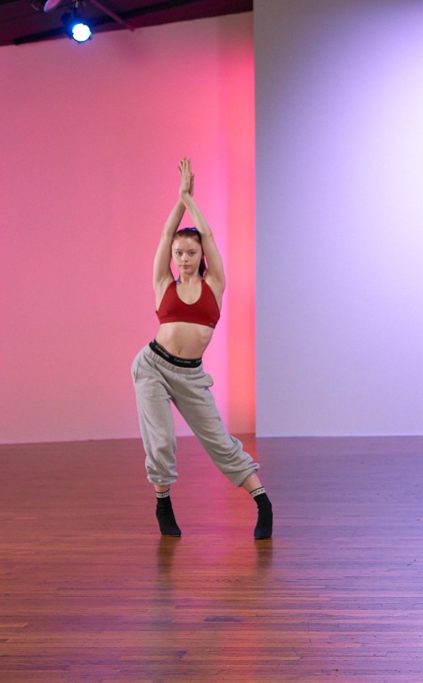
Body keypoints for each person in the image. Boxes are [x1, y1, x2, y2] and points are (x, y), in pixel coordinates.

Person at [131, 158, 272, 539]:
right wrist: (178, 202)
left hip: (190, 374)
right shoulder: (164, 283)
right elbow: (164, 237)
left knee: (219, 442)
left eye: (190, 253)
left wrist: (190, 200)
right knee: (160, 442)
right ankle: (163, 503)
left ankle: (262, 502)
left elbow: (207, 234)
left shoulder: (215, 284)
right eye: (179, 253)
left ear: (200, 257)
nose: (183, 258)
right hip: (152, 367)